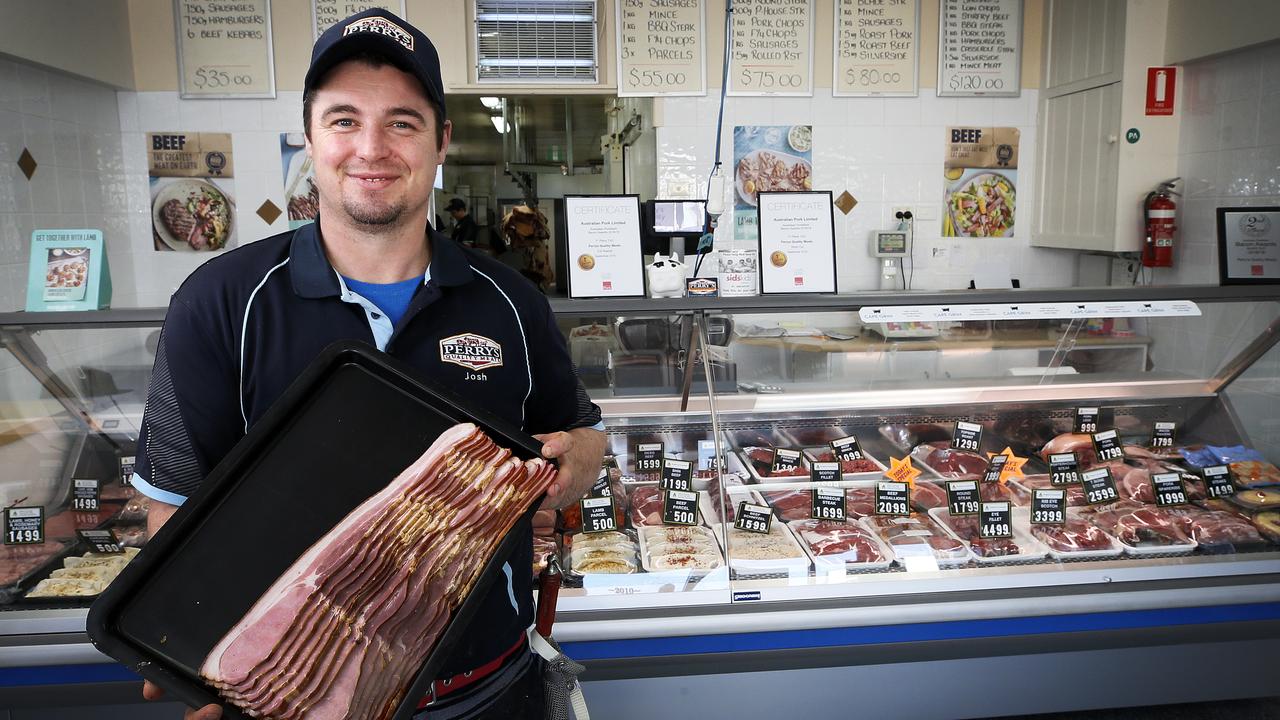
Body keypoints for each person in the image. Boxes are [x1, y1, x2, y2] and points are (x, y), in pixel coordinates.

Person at [133, 9, 605, 719]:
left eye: (403, 123)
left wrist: (576, 465)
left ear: (441, 141)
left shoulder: (509, 300)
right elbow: (170, 507)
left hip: (487, 690)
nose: (372, 147)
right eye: (345, 120)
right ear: (312, 136)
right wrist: (190, 657)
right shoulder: (220, 303)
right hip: (292, 694)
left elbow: (582, 435)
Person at [501, 205, 554, 291]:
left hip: (534, 248)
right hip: (523, 249)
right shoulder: (511, 219)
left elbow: (546, 234)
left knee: (538, 267)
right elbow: (507, 231)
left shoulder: (538, 217)